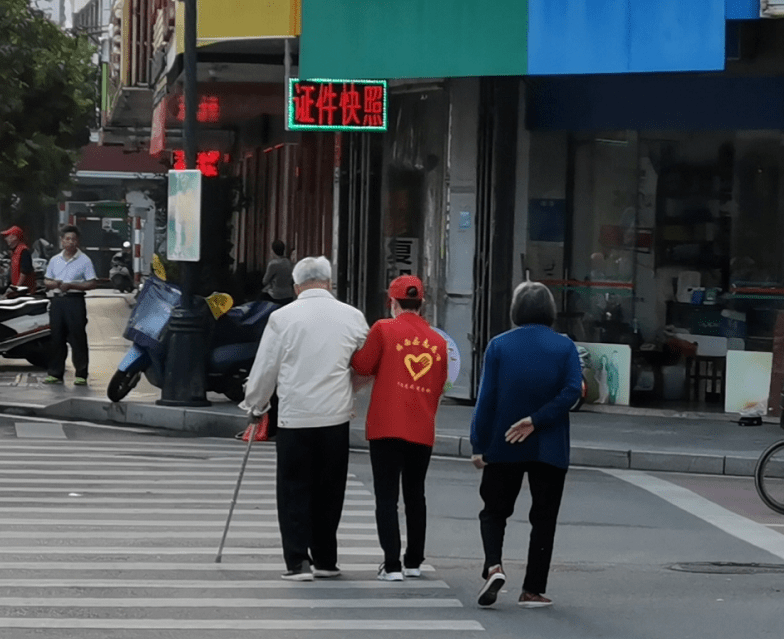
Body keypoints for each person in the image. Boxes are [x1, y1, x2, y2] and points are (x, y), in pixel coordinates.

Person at [240, 256, 369, 581]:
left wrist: (255, 404)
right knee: (330, 490)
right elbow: (367, 365)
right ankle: (325, 560)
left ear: (296, 286)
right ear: (329, 283)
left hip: (294, 418)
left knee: (294, 488)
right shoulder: (353, 317)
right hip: (335, 417)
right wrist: (350, 389)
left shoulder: (282, 318)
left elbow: (266, 367)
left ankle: (297, 561)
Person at [470, 281, 582, 609]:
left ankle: (494, 566)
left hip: (504, 441)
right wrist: (536, 420)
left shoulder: (499, 345)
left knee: (494, 511)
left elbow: (486, 399)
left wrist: (479, 443)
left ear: (516, 309)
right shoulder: (565, 347)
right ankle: (532, 590)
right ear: (550, 310)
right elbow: (572, 390)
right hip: (550, 446)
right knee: (544, 518)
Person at [352, 275, 448, 581]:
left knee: (386, 497)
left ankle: (392, 565)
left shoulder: (383, 329)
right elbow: (440, 386)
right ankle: (414, 561)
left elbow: (362, 365)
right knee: (415, 495)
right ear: (422, 303)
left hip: (386, 426)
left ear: (392, 302)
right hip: (422, 427)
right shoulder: (438, 342)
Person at [42, 225, 97, 386]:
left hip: (75, 301)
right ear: (62, 241)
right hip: (57, 301)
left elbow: (92, 283)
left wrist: (72, 285)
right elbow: (46, 280)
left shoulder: (84, 260)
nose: (70, 242)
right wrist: (54, 284)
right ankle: (55, 373)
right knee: (56, 337)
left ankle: (81, 374)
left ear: (77, 241)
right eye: (67, 239)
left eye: (73, 239)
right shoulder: (55, 260)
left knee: (77, 337)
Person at [1, 225, 36, 297]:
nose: (6, 239)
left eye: (8, 236)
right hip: (17, 290)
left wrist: (16, 288)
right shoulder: (14, 252)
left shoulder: (24, 251)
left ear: (15, 237)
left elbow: (25, 271)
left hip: (24, 291)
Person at [260, 239, 294, 305]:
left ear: (273, 251)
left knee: (260, 298)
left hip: (276, 295)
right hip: (289, 295)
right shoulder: (289, 262)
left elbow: (264, 281)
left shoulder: (273, 264)